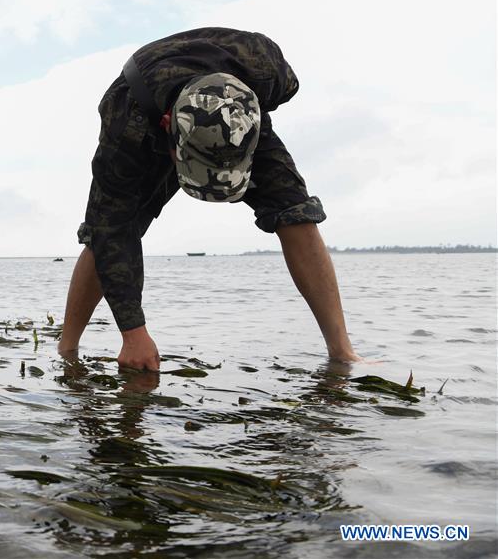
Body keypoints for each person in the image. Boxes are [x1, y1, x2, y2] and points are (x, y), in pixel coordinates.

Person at [58, 27, 362, 371]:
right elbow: (111, 232)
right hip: (144, 113)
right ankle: (68, 348)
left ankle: (342, 351)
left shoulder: (270, 73)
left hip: (238, 116)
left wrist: (242, 128)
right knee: (106, 231)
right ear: (169, 132)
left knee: (295, 212)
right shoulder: (125, 129)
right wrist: (133, 332)